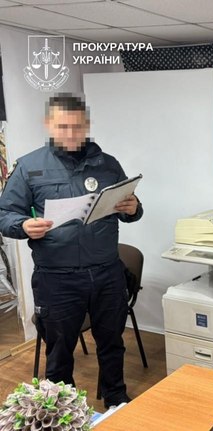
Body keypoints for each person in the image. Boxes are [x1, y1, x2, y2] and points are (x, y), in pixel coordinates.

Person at [0, 94, 143, 408]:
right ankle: (65, 410)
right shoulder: (29, 167)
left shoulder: (108, 164)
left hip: (107, 272)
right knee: (60, 350)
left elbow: (129, 209)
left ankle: (116, 398)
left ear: (86, 125)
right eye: (63, 127)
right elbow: (5, 215)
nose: (71, 133)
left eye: (77, 127)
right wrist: (23, 225)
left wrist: (133, 208)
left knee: (112, 342)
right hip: (57, 277)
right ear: (49, 125)